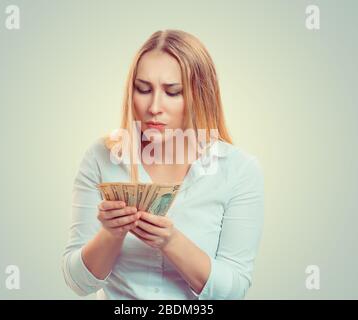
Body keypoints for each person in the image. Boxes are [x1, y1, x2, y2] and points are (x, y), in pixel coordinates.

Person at [61, 29, 264, 300]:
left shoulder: (239, 170)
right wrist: (110, 235)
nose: (154, 106)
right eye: (143, 89)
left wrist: (171, 242)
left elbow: (233, 291)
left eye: (173, 92)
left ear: (201, 95)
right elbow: (77, 283)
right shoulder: (101, 157)